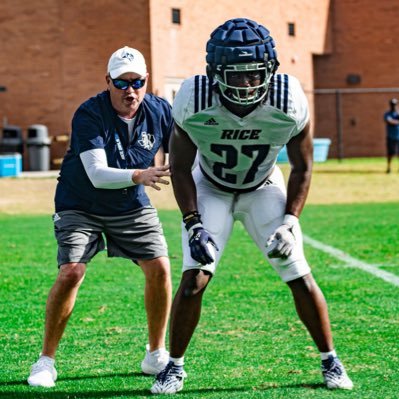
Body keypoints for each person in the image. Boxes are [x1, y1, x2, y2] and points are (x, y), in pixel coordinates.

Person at [150, 18, 353, 394]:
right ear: (214, 73)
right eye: (236, 75)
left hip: (263, 187)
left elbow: (304, 166)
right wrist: (194, 224)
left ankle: (331, 360)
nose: (247, 84)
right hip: (211, 187)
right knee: (194, 278)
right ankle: (174, 367)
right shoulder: (194, 97)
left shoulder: (288, 99)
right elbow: (179, 167)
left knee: (297, 272)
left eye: (255, 73)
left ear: (271, 70)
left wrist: (290, 220)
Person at [27, 46, 173, 388]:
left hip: (129, 205)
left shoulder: (160, 111)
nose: (130, 90)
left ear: (146, 80)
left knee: (160, 268)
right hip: (80, 202)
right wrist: (139, 175)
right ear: (108, 81)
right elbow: (96, 173)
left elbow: (182, 154)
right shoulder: (89, 113)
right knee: (71, 272)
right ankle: (46, 361)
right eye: (121, 83)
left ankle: (156, 353)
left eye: (137, 82)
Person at [384, 98, 399, 173]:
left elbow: (392, 121)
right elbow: (388, 121)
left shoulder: (398, 113)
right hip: (390, 137)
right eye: (392, 104)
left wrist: (394, 121)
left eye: (395, 104)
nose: (394, 106)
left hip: (398, 136)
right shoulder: (387, 114)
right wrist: (396, 122)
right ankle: (389, 168)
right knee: (390, 153)